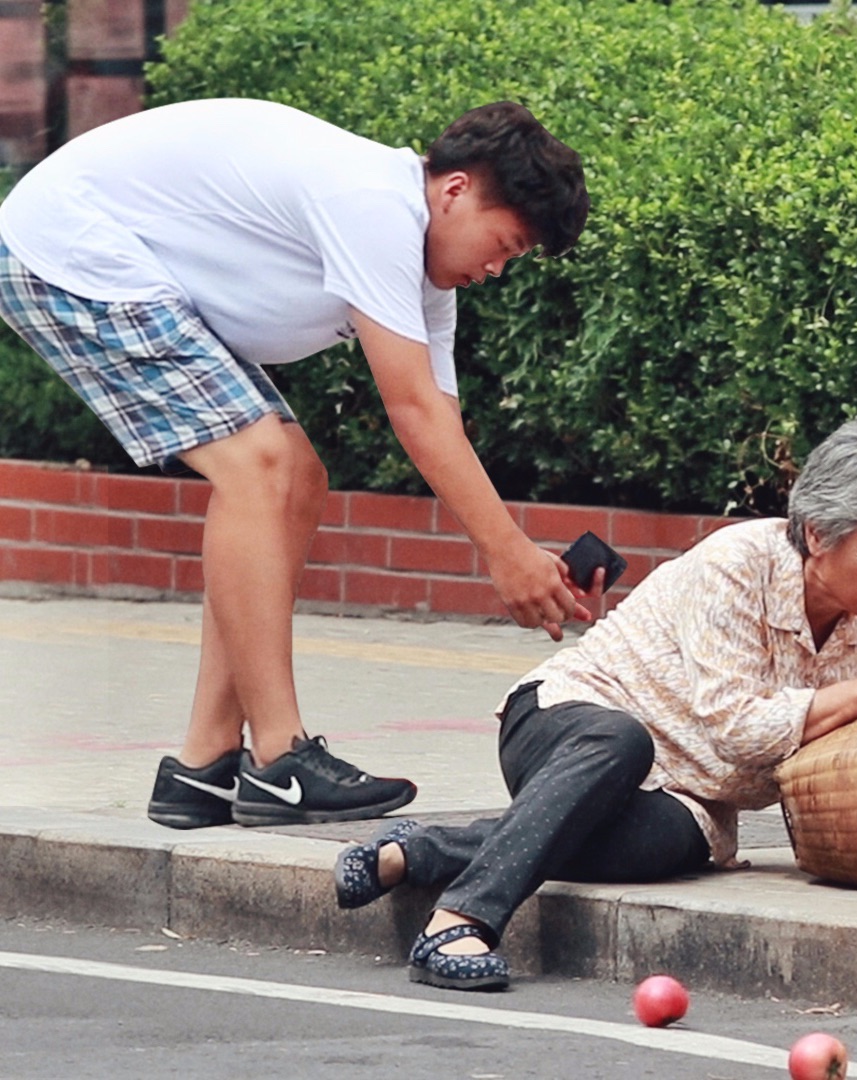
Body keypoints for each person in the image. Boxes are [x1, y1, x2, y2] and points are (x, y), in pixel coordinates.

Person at [0, 98, 596, 830]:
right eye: (505, 243)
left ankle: (204, 766)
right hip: (69, 246)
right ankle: (280, 757)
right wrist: (504, 555)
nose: (500, 268)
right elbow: (410, 410)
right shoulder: (374, 206)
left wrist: (515, 550)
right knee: (258, 466)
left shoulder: (421, 273)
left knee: (297, 477)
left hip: (114, 256)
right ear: (455, 190)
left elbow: (439, 422)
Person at [333, 415, 857, 990]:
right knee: (621, 740)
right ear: (817, 535)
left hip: (689, 795)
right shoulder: (738, 563)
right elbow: (739, 732)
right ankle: (460, 919)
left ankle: (417, 852)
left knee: (665, 849)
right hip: (570, 720)